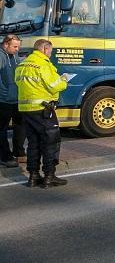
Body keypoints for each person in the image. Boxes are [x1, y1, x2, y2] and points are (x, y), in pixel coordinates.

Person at [15, 39, 68, 188]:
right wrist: (63, 80)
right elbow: (54, 86)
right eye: (50, 50)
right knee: (51, 142)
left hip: (26, 110)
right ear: (45, 49)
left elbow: (17, 82)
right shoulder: (43, 64)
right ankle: (49, 176)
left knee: (33, 143)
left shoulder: (22, 64)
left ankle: (33, 176)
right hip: (43, 110)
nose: (51, 53)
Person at [0, 34, 26, 168]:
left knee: (21, 126)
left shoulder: (15, 56)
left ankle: (19, 153)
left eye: (18, 47)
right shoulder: (1, 56)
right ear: (5, 45)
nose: (17, 49)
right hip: (3, 100)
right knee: (2, 129)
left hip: (17, 99)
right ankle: (5, 156)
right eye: (15, 47)